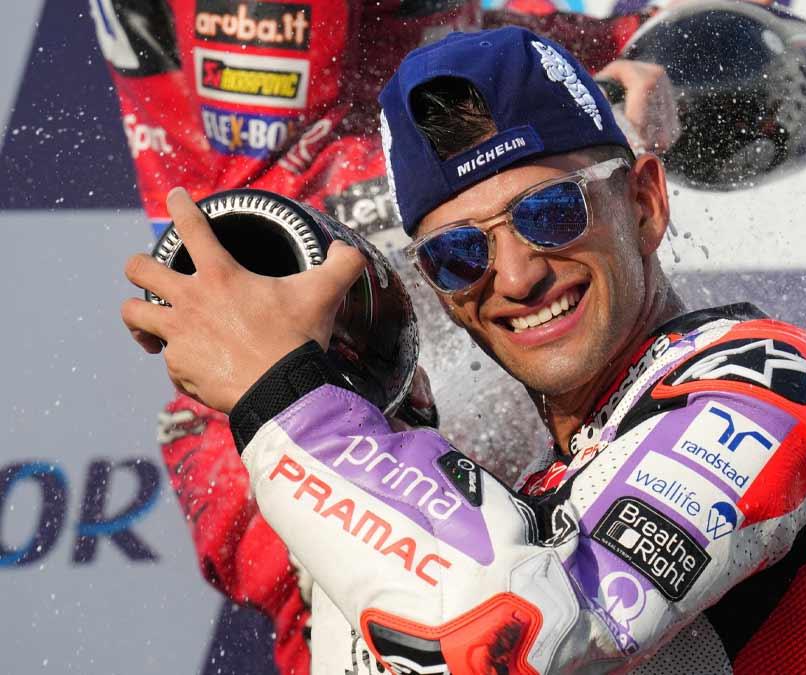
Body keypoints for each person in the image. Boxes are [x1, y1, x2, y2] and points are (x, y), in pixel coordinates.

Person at [122, 27, 806, 674]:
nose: (516, 275)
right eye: (458, 254)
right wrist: (379, 406)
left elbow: (510, 635)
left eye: (550, 213)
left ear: (646, 203)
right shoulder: (559, 496)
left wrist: (290, 399)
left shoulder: (766, 385)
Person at [93, 2, 678, 672]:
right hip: (282, 386)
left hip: (373, 370)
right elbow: (273, 214)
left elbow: (440, 33)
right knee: (455, 634)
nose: (518, 273)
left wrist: (606, 53)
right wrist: (551, 143)